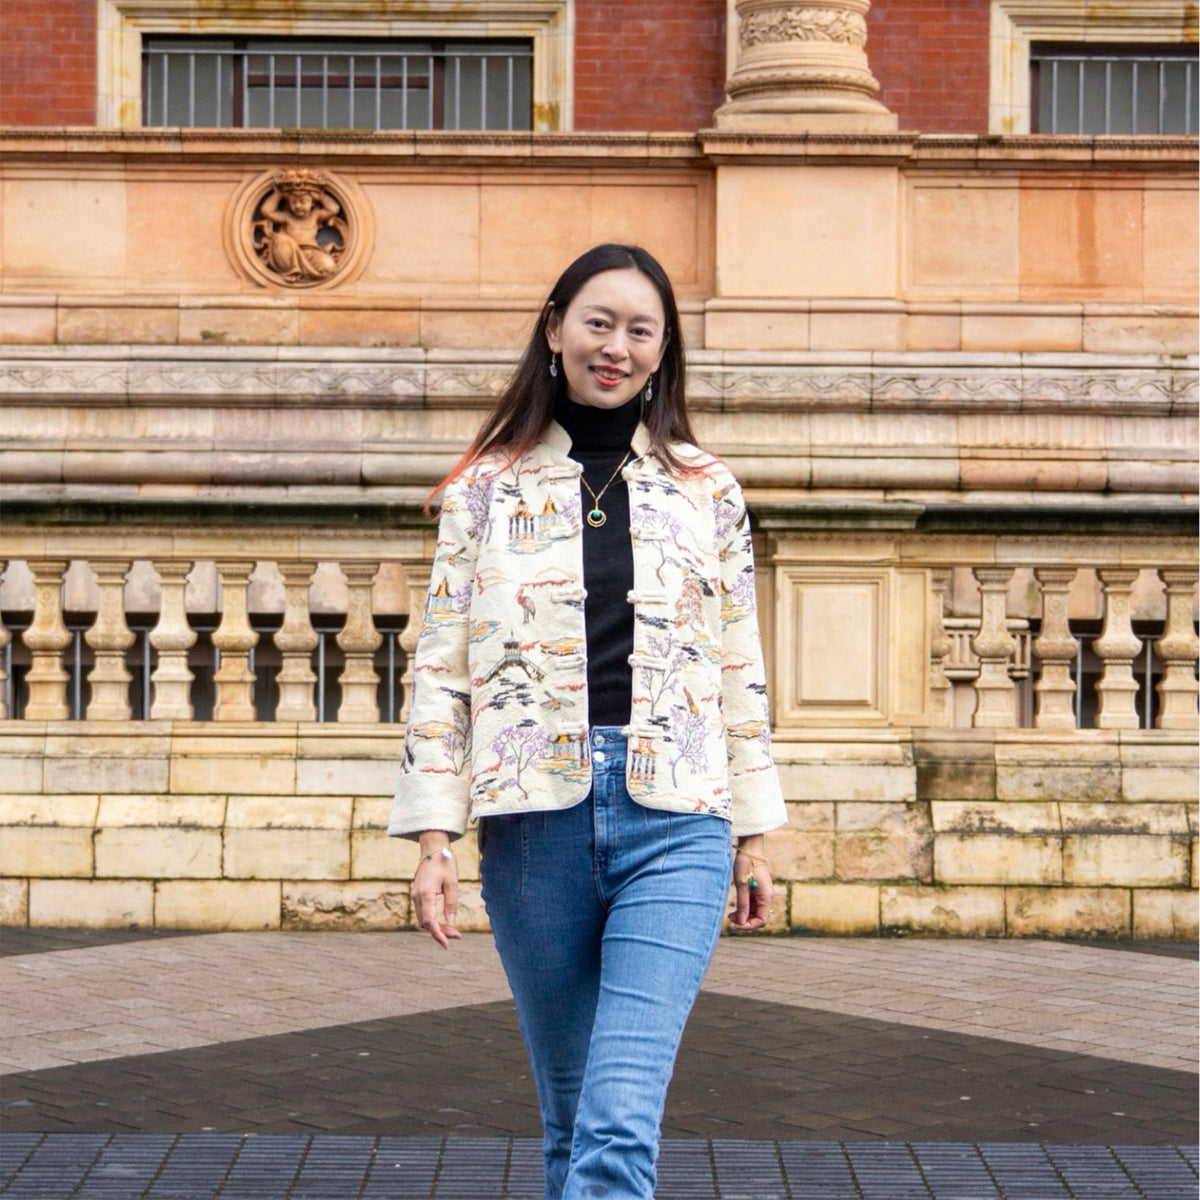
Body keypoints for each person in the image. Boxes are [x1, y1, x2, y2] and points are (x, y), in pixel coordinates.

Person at [389, 243, 787, 1200]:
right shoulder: (484, 487)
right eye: (598, 322)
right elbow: (441, 663)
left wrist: (756, 835)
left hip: (677, 818)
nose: (616, 347)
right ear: (555, 327)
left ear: (663, 351)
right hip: (534, 822)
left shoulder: (707, 489)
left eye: (639, 330)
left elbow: (739, 663)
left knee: (615, 1119)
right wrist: (434, 837)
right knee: (570, 1118)